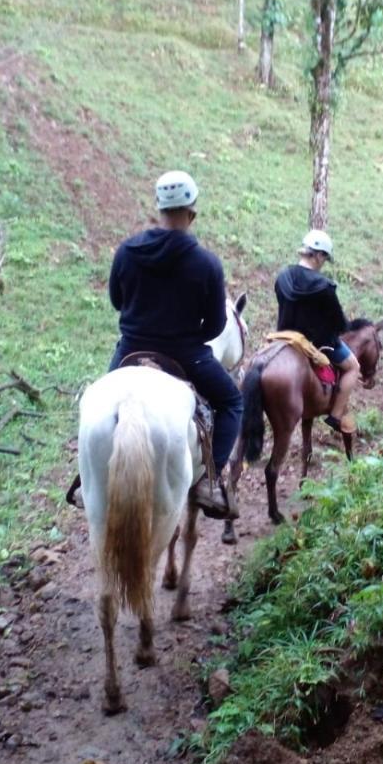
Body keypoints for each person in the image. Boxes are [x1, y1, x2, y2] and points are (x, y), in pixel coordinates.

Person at [108, 170, 242, 513]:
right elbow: (214, 326)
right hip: (186, 355)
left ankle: (83, 478)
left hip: (130, 350)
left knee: (102, 404)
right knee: (232, 403)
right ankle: (210, 481)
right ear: (192, 211)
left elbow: (116, 301)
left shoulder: (126, 251)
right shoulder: (207, 263)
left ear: (158, 208)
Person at [274, 230, 360, 433]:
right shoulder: (324, 286)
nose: (323, 263)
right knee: (353, 367)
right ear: (319, 255)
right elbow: (339, 324)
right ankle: (335, 416)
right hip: (315, 343)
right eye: (324, 258)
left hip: (283, 338)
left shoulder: (283, 277)